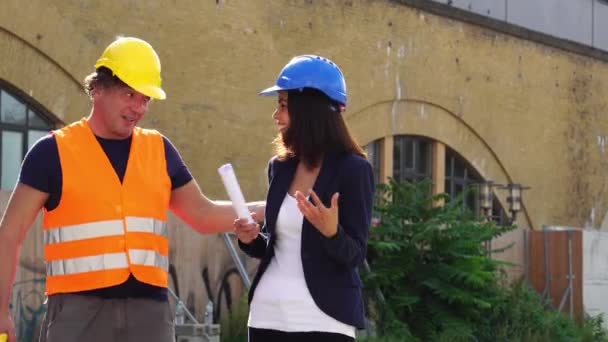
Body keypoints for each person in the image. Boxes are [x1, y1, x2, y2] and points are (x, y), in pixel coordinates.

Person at [0, 36, 265, 342]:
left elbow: (203, 214)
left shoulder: (159, 150)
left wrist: (270, 207)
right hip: (77, 313)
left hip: (149, 314)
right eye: (129, 94)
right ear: (97, 89)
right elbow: (9, 233)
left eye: (145, 99)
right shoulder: (52, 152)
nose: (138, 107)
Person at [234, 55, 375, 342]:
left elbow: (355, 254)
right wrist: (250, 239)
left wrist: (332, 233)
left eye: (284, 105)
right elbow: (278, 246)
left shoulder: (354, 170)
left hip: (324, 319)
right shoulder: (280, 167)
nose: (276, 116)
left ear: (309, 110)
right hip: (267, 314)